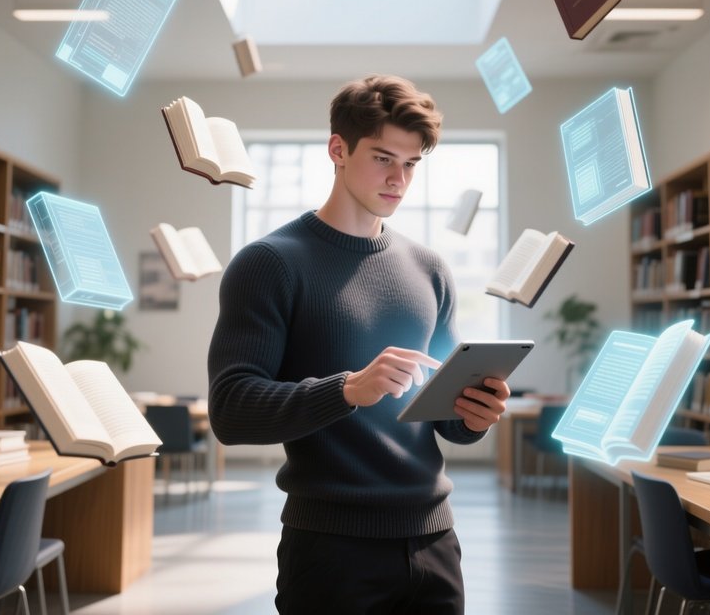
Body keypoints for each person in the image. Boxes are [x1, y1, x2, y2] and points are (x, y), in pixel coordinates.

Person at [207, 74, 510, 614]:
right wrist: (346, 389)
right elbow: (230, 412)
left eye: (411, 164)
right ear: (337, 150)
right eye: (383, 158)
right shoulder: (268, 264)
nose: (399, 178)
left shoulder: (430, 269)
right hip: (330, 549)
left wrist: (474, 414)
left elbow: (445, 422)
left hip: (436, 540)